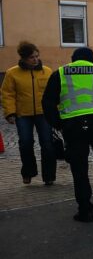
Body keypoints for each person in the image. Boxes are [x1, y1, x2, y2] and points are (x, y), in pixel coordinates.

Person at [42, 47, 93, 222]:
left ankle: (85, 210)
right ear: (92, 59)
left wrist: (58, 123)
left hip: (73, 127)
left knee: (79, 170)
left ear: (73, 59)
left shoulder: (60, 73)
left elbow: (47, 101)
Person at [1, 41, 57, 185]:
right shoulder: (12, 73)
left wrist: (55, 111)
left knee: (47, 144)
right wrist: (10, 113)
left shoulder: (47, 71)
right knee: (25, 143)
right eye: (32, 57)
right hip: (22, 114)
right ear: (24, 58)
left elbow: (53, 93)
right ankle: (28, 173)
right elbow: (7, 94)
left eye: (37, 56)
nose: (35, 59)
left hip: (43, 113)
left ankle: (49, 176)